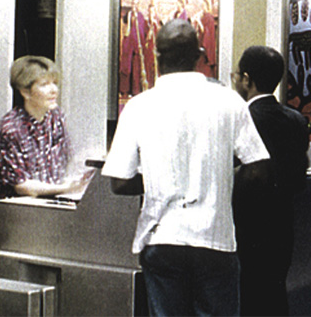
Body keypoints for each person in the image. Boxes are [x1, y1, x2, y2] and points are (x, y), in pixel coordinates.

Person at [103, 19, 272, 316]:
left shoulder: (138, 106)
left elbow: (119, 181)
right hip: (216, 239)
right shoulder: (229, 101)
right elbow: (258, 168)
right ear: (200, 54)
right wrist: (224, 192)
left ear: (156, 56)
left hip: (162, 237)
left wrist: (161, 181)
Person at [0, 55, 90, 253]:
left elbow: (65, 162)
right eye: (44, 84)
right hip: (17, 221)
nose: (53, 90)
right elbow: (23, 187)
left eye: (54, 83)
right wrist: (66, 188)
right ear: (25, 91)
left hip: (51, 210)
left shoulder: (56, 117)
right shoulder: (11, 129)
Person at [231, 45, 309, 316]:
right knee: (275, 296)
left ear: (247, 79)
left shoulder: (241, 121)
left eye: (237, 76)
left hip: (245, 230)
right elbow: (299, 178)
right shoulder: (296, 120)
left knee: (247, 300)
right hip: (282, 227)